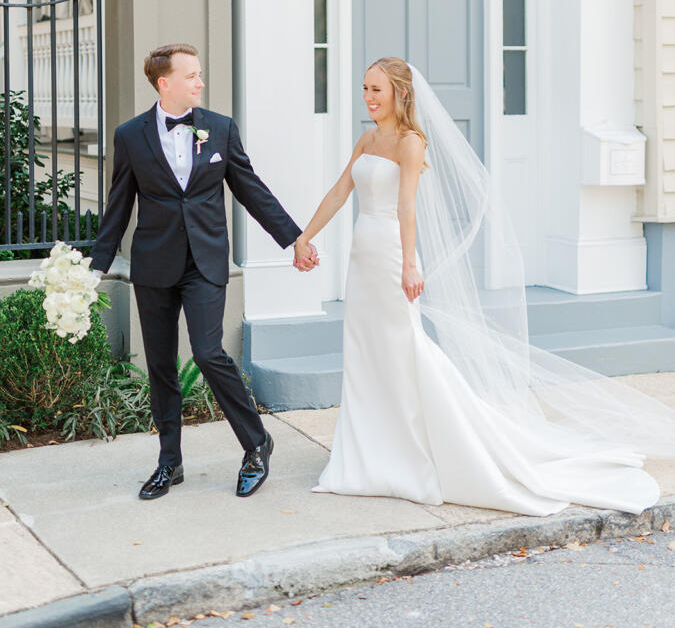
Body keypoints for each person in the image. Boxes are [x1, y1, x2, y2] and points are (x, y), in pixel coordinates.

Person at [295, 56, 675, 516]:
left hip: (393, 254)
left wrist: (410, 265)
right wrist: (305, 235)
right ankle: (366, 454)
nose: (369, 98)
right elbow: (340, 191)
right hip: (363, 256)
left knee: (402, 348)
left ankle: (420, 451)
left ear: (400, 93)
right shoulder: (367, 139)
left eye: (377, 89)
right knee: (364, 351)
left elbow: (407, 208)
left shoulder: (411, 143)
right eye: (365, 89)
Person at [90, 43, 317, 501]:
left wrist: (294, 238)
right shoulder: (130, 135)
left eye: (199, 74)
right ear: (164, 83)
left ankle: (256, 444)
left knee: (210, 353)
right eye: (191, 75)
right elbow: (119, 205)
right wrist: (94, 268)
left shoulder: (219, 128)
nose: (200, 82)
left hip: (206, 262)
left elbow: (252, 189)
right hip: (153, 265)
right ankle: (168, 464)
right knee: (160, 367)